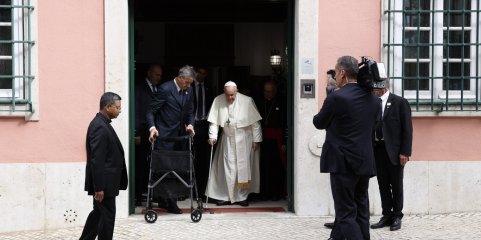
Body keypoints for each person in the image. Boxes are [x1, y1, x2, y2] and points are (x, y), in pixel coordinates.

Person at [313, 56, 379, 240]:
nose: (335, 76)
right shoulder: (373, 100)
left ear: (342, 72)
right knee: (361, 210)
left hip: (342, 163)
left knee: (345, 213)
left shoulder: (337, 96)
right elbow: (374, 125)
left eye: (336, 72)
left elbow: (318, 122)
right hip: (364, 161)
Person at [146, 65, 196, 214]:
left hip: (181, 136)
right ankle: (168, 201)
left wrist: (191, 125)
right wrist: (152, 128)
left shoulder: (189, 90)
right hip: (165, 136)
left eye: (190, 83)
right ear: (180, 78)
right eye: (186, 82)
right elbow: (150, 111)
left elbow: (191, 111)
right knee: (165, 170)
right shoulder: (165, 89)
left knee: (178, 169)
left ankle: (170, 199)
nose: (188, 86)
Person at [205, 81, 262, 207]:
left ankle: (242, 196)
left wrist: (256, 140)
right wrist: (212, 137)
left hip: (244, 139)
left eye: (232, 95)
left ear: (237, 91)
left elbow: (255, 123)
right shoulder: (218, 100)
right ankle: (225, 196)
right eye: (228, 95)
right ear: (224, 92)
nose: (230, 98)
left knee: (242, 169)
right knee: (226, 168)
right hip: (227, 139)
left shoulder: (247, 101)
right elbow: (214, 122)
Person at [80, 92, 128, 240]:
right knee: (107, 218)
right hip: (104, 184)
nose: (120, 111)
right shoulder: (99, 126)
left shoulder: (102, 124)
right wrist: (99, 187)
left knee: (99, 214)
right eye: (117, 108)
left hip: (106, 182)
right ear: (107, 107)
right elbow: (97, 159)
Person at [370, 79, 413, 231]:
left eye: (377, 90)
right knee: (382, 184)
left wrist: (405, 152)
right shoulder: (372, 102)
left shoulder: (400, 102)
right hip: (378, 149)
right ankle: (386, 214)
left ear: (384, 88)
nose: (375, 92)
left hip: (395, 151)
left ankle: (397, 216)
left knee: (396, 184)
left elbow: (407, 129)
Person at [134, 64, 162, 206]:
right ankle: (137, 195)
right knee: (139, 164)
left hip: (154, 133)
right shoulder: (139, 88)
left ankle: (153, 193)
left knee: (153, 164)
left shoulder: (158, 89)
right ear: (149, 73)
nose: (159, 77)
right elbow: (136, 110)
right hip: (142, 132)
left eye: (160, 75)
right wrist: (136, 132)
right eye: (157, 75)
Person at [255, 80, 287, 201]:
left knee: (277, 167)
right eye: (265, 91)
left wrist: (284, 141)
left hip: (277, 140)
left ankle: (277, 193)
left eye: (270, 92)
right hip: (263, 138)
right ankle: (264, 193)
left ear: (275, 91)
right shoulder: (259, 102)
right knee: (263, 167)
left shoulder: (282, 102)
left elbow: (285, 123)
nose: (267, 94)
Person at [193, 67, 214, 198]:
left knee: (203, 160)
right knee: (191, 158)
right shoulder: (189, 87)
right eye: (200, 72)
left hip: (205, 126)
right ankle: (189, 189)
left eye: (204, 73)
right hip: (192, 125)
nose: (202, 75)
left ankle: (201, 190)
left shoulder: (209, 89)